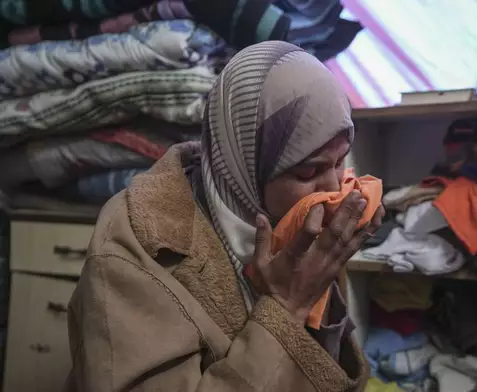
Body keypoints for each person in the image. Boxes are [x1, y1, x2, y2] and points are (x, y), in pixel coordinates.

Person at [65, 41, 385, 392]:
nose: (335, 187)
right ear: (247, 166)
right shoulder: (134, 246)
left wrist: (316, 296)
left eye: (341, 162)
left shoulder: (299, 226)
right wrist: (287, 306)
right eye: (310, 172)